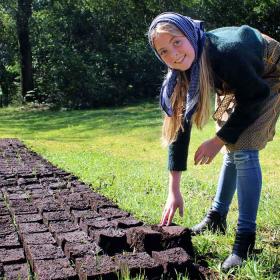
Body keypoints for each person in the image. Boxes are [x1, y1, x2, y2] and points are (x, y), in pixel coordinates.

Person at [147, 12, 280, 270]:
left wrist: (217, 140)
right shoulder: (183, 72)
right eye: (164, 51)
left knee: (242, 146)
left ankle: (245, 243)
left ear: (190, 35)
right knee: (232, 146)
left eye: (177, 42)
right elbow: (179, 126)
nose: (173, 54)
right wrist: (173, 189)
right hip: (234, 83)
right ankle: (217, 218)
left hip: (268, 75)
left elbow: (254, 96)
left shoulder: (227, 53)